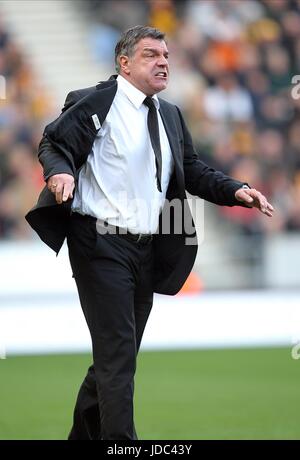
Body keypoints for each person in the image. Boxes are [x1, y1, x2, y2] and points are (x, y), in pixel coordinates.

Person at [25, 25, 273, 440]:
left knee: (115, 358)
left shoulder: (170, 114)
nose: (163, 62)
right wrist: (60, 172)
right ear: (123, 63)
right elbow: (53, 143)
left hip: (146, 248)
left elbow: (191, 169)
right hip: (99, 243)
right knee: (118, 356)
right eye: (150, 54)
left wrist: (235, 190)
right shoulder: (94, 101)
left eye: (166, 55)